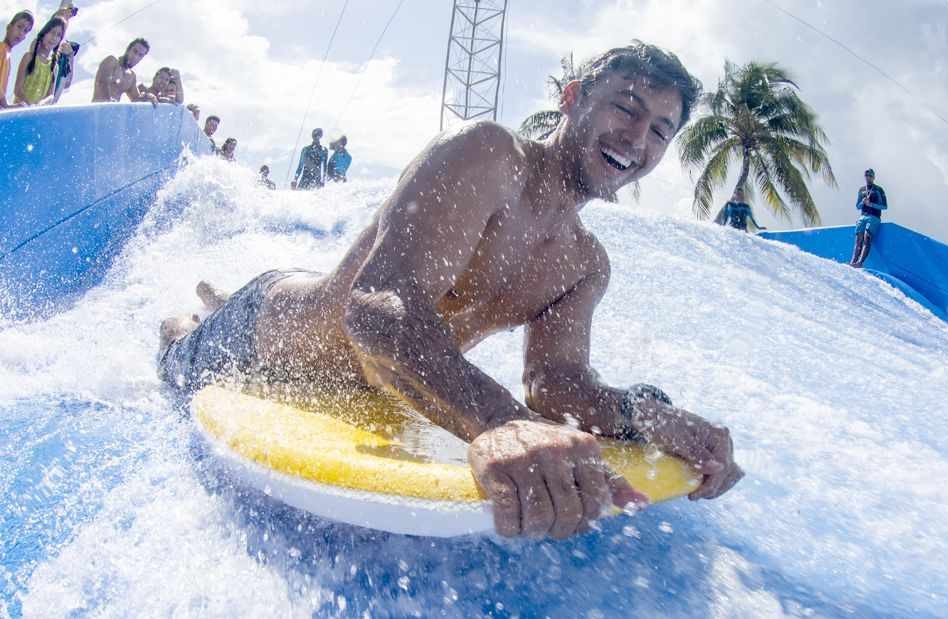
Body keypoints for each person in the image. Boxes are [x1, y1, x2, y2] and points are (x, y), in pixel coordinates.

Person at [157, 41, 743, 540]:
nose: (637, 137)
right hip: (268, 341)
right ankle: (193, 320)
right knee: (176, 360)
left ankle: (216, 297)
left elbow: (556, 386)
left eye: (660, 130)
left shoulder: (584, 263)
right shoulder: (489, 156)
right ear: (573, 99)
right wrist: (497, 422)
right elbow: (376, 307)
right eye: (626, 107)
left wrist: (650, 418)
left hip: (374, 387)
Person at [13, 16, 71, 106]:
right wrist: (30, 106)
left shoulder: (54, 66)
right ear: (44, 33)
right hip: (20, 112)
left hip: (37, 114)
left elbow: (50, 96)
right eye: (52, 32)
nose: (54, 38)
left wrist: (39, 106)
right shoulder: (28, 57)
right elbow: (17, 90)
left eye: (58, 35)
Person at [91, 37, 155, 103]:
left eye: (140, 55)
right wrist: (110, 104)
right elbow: (102, 83)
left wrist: (148, 97)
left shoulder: (131, 76)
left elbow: (135, 99)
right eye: (135, 51)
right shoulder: (111, 61)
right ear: (128, 49)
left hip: (112, 111)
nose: (135, 57)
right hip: (97, 110)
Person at [849, 168, 888, 268]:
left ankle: (860, 262)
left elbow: (884, 206)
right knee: (858, 239)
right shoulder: (862, 189)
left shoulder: (878, 189)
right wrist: (863, 202)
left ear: (874, 177)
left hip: (874, 217)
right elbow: (857, 206)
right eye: (866, 175)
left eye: (870, 176)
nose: (868, 177)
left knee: (867, 237)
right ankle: (853, 261)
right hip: (863, 216)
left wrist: (871, 204)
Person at [0, 11, 34, 108]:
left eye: (25, 31)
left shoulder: (7, 55)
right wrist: (6, 105)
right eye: (19, 27)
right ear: (8, 27)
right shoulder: (2, 50)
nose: (21, 33)